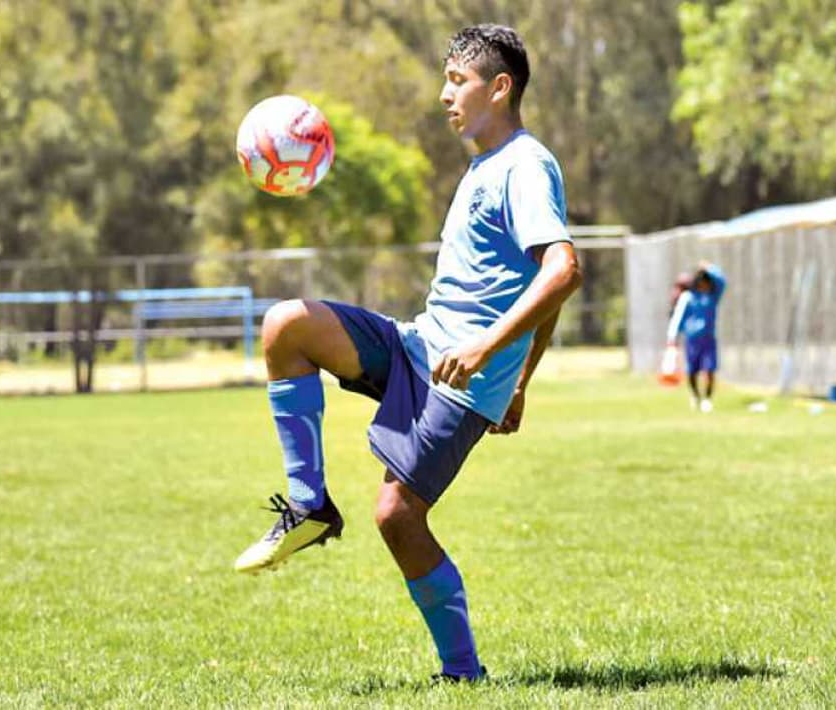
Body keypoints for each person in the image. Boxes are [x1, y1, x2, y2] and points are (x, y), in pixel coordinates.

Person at [233, 24, 581, 683]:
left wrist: (493, 358)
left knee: (396, 514)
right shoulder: (484, 166)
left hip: (461, 382)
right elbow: (548, 290)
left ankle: (462, 672)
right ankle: (310, 506)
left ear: (499, 88)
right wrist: (526, 381)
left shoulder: (526, 166)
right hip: (418, 345)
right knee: (286, 326)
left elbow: (562, 272)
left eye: (459, 81)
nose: (445, 94)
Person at [666, 260, 727, 412]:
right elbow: (678, 317)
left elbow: (722, 281)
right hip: (692, 339)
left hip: (708, 338)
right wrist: (672, 337)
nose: (705, 286)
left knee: (709, 369)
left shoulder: (712, 297)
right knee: (692, 371)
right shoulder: (688, 297)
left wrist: (710, 268)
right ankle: (695, 395)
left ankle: (707, 399)